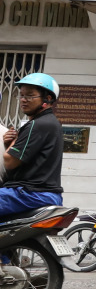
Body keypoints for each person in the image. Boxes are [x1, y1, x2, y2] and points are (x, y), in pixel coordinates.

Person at [0, 73, 65, 221]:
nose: (23, 100)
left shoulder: (38, 124)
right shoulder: (50, 122)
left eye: (30, 96)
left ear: (47, 98)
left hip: (31, 194)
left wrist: (13, 143)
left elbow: (9, 161)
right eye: (22, 95)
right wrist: (10, 143)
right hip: (40, 193)